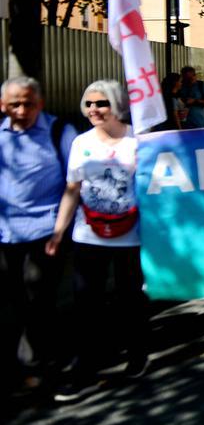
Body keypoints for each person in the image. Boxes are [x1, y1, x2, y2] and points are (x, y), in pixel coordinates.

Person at [47, 81, 148, 402]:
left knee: (129, 298)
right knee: (85, 304)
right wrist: (59, 231)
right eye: (89, 103)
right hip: (88, 235)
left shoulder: (138, 141)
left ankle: (137, 355)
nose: (94, 109)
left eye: (102, 103)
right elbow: (72, 190)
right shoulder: (80, 143)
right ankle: (82, 371)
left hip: (130, 235)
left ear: (116, 104)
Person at [0, 77, 77, 397]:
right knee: (14, 301)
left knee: (38, 298)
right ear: (3, 105)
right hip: (6, 234)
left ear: (40, 103)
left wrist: (59, 231)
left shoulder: (59, 131)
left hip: (46, 231)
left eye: (28, 103)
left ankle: (40, 367)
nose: (22, 110)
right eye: (14, 104)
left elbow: (75, 184)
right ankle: (28, 363)